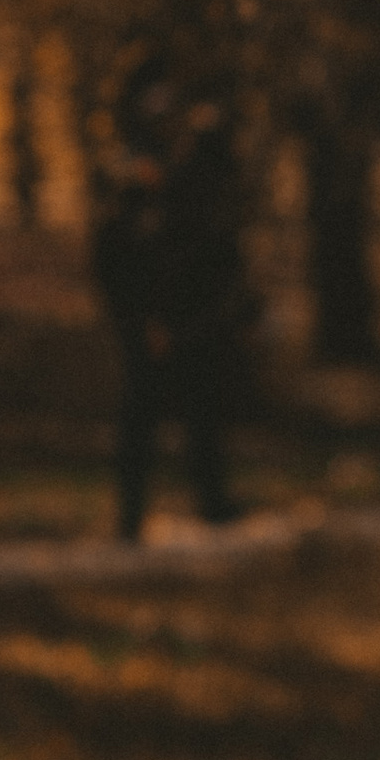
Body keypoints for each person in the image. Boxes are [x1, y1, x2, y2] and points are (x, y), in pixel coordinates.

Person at [92, 79, 255, 541]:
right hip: (148, 320)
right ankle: (131, 516)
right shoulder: (133, 187)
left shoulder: (191, 181)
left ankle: (212, 503)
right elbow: (117, 259)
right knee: (141, 418)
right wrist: (138, 319)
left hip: (191, 317)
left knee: (202, 410)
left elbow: (211, 251)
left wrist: (225, 309)